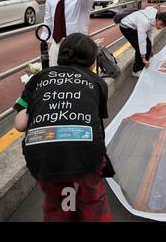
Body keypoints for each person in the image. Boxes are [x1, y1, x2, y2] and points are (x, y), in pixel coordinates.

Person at [13, 33, 112, 222]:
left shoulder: (39, 78)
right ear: (92, 62)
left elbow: (19, 124)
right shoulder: (96, 82)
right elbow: (96, 118)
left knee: (58, 203)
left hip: (43, 156)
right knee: (92, 200)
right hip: (85, 154)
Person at [43, 0, 95, 67]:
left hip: (78, 47)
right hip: (56, 45)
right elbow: (47, 24)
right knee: (56, 77)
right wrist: (45, 47)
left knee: (78, 79)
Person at [119, 7, 166, 77]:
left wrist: (151, 48)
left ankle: (144, 66)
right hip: (126, 27)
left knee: (148, 45)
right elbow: (141, 40)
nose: (161, 27)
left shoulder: (154, 17)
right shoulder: (145, 22)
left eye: (163, 26)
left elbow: (150, 33)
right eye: (161, 24)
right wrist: (143, 58)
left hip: (135, 26)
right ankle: (136, 70)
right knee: (139, 47)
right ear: (158, 19)